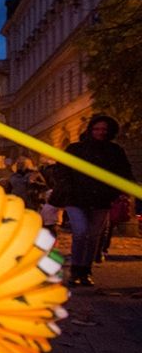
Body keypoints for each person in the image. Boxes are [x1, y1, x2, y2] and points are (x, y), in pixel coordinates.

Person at [55, 115, 134, 287]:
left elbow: (124, 172)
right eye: (97, 129)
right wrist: (67, 188)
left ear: (110, 131)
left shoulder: (115, 151)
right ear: (90, 129)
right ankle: (75, 270)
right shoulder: (76, 149)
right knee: (80, 233)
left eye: (104, 129)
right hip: (76, 198)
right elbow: (62, 170)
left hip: (101, 199)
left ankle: (86, 271)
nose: (100, 132)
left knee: (93, 237)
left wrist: (116, 191)